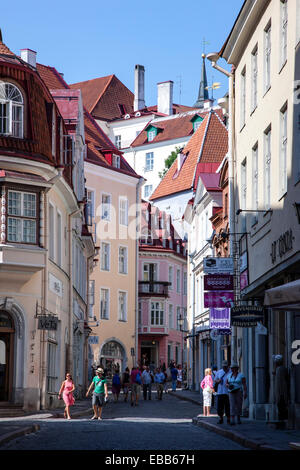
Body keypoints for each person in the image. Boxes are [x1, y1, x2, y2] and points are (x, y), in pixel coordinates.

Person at [273, 355, 289, 421]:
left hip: (281, 392)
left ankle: (282, 422)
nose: (275, 363)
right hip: (281, 392)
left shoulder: (280, 369)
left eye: (275, 362)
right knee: (281, 407)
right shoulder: (279, 369)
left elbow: (281, 382)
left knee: (281, 407)